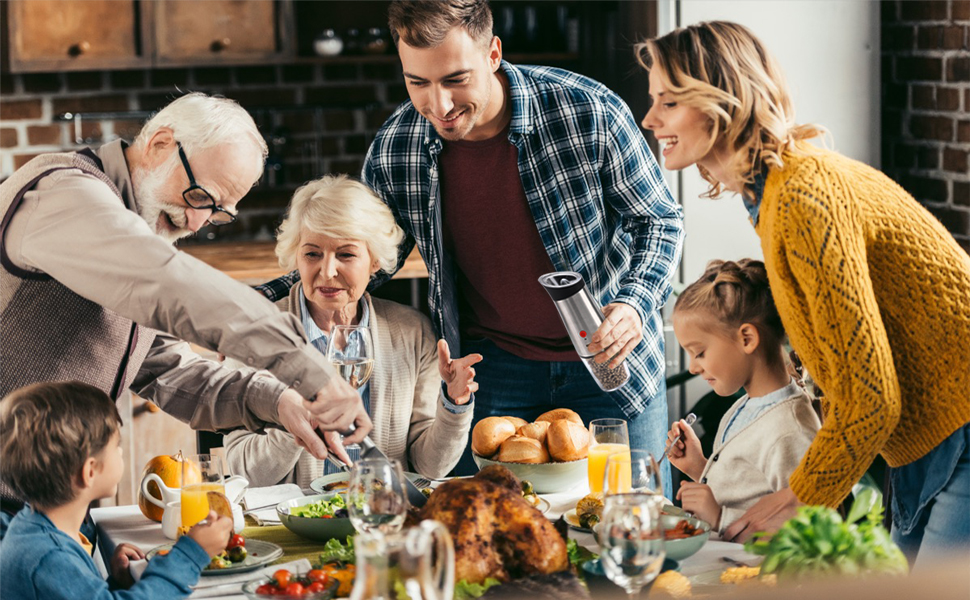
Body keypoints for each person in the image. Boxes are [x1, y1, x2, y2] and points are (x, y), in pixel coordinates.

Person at [258, 0, 685, 484]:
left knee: (636, 523)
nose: (437, 105)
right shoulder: (397, 147)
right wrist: (258, 302)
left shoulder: (586, 110)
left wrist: (633, 304)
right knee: (490, 532)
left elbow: (659, 221)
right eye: (417, 82)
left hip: (609, 362)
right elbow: (367, 256)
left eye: (455, 79)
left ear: (493, 54)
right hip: (491, 368)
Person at [638, 21, 970, 564]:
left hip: (959, 422)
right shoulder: (777, 196)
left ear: (723, 102)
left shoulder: (801, 198)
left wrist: (794, 497)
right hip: (933, 434)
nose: (650, 119)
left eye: (669, 102)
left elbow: (871, 398)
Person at [0, 92, 370, 519]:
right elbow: (164, 279)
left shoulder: (134, 230)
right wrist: (309, 369)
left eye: (216, 214)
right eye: (199, 196)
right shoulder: (64, 192)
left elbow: (167, 370)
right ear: (160, 144)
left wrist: (281, 401)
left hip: (47, 508)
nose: (195, 223)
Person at [224, 176, 479, 487]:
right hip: (293, 520)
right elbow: (242, 471)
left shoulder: (413, 333)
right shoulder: (254, 334)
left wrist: (454, 403)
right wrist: (298, 422)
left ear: (374, 261)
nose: (328, 271)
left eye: (346, 254)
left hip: (382, 513)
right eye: (312, 254)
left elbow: (431, 467)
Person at [0, 381, 234, 599]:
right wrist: (191, 555)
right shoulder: (49, 558)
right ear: (89, 471)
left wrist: (115, 585)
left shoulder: (34, 527)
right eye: (116, 446)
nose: (121, 452)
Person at [665, 259, 820, 537]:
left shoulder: (789, 431)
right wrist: (699, 466)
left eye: (699, 352)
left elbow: (804, 532)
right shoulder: (744, 406)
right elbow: (746, 491)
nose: (693, 367)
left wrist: (719, 517)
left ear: (747, 338)